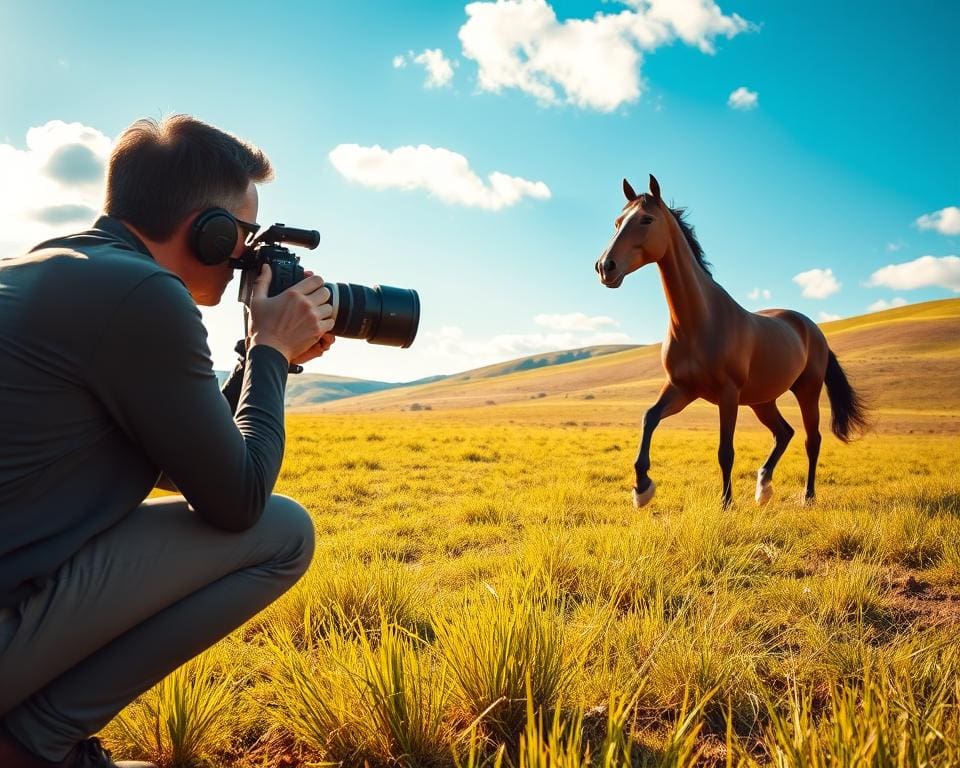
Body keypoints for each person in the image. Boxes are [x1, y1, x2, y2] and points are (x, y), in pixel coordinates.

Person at [0, 115, 335, 768]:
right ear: (207, 231)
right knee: (282, 531)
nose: (247, 256)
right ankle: (28, 745)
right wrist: (270, 351)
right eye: (243, 235)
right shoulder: (143, 295)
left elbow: (188, 462)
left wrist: (261, 355)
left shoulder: (56, 265)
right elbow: (236, 500)